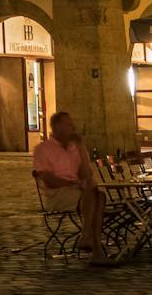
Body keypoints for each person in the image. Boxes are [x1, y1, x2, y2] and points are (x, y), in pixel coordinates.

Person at [33, 111, 114, 265]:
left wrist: (82, 148)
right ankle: (95, 249)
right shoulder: (43, 149)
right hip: (57, 193)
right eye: (68, 124)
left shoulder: (74, 147)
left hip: (80, 192)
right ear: (57, 127)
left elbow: (86, 174)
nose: (73, 128)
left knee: (98, 195)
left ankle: (87, 236)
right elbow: (49, 180)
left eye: (71, 124)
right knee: (96, 197)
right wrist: (73, 185)